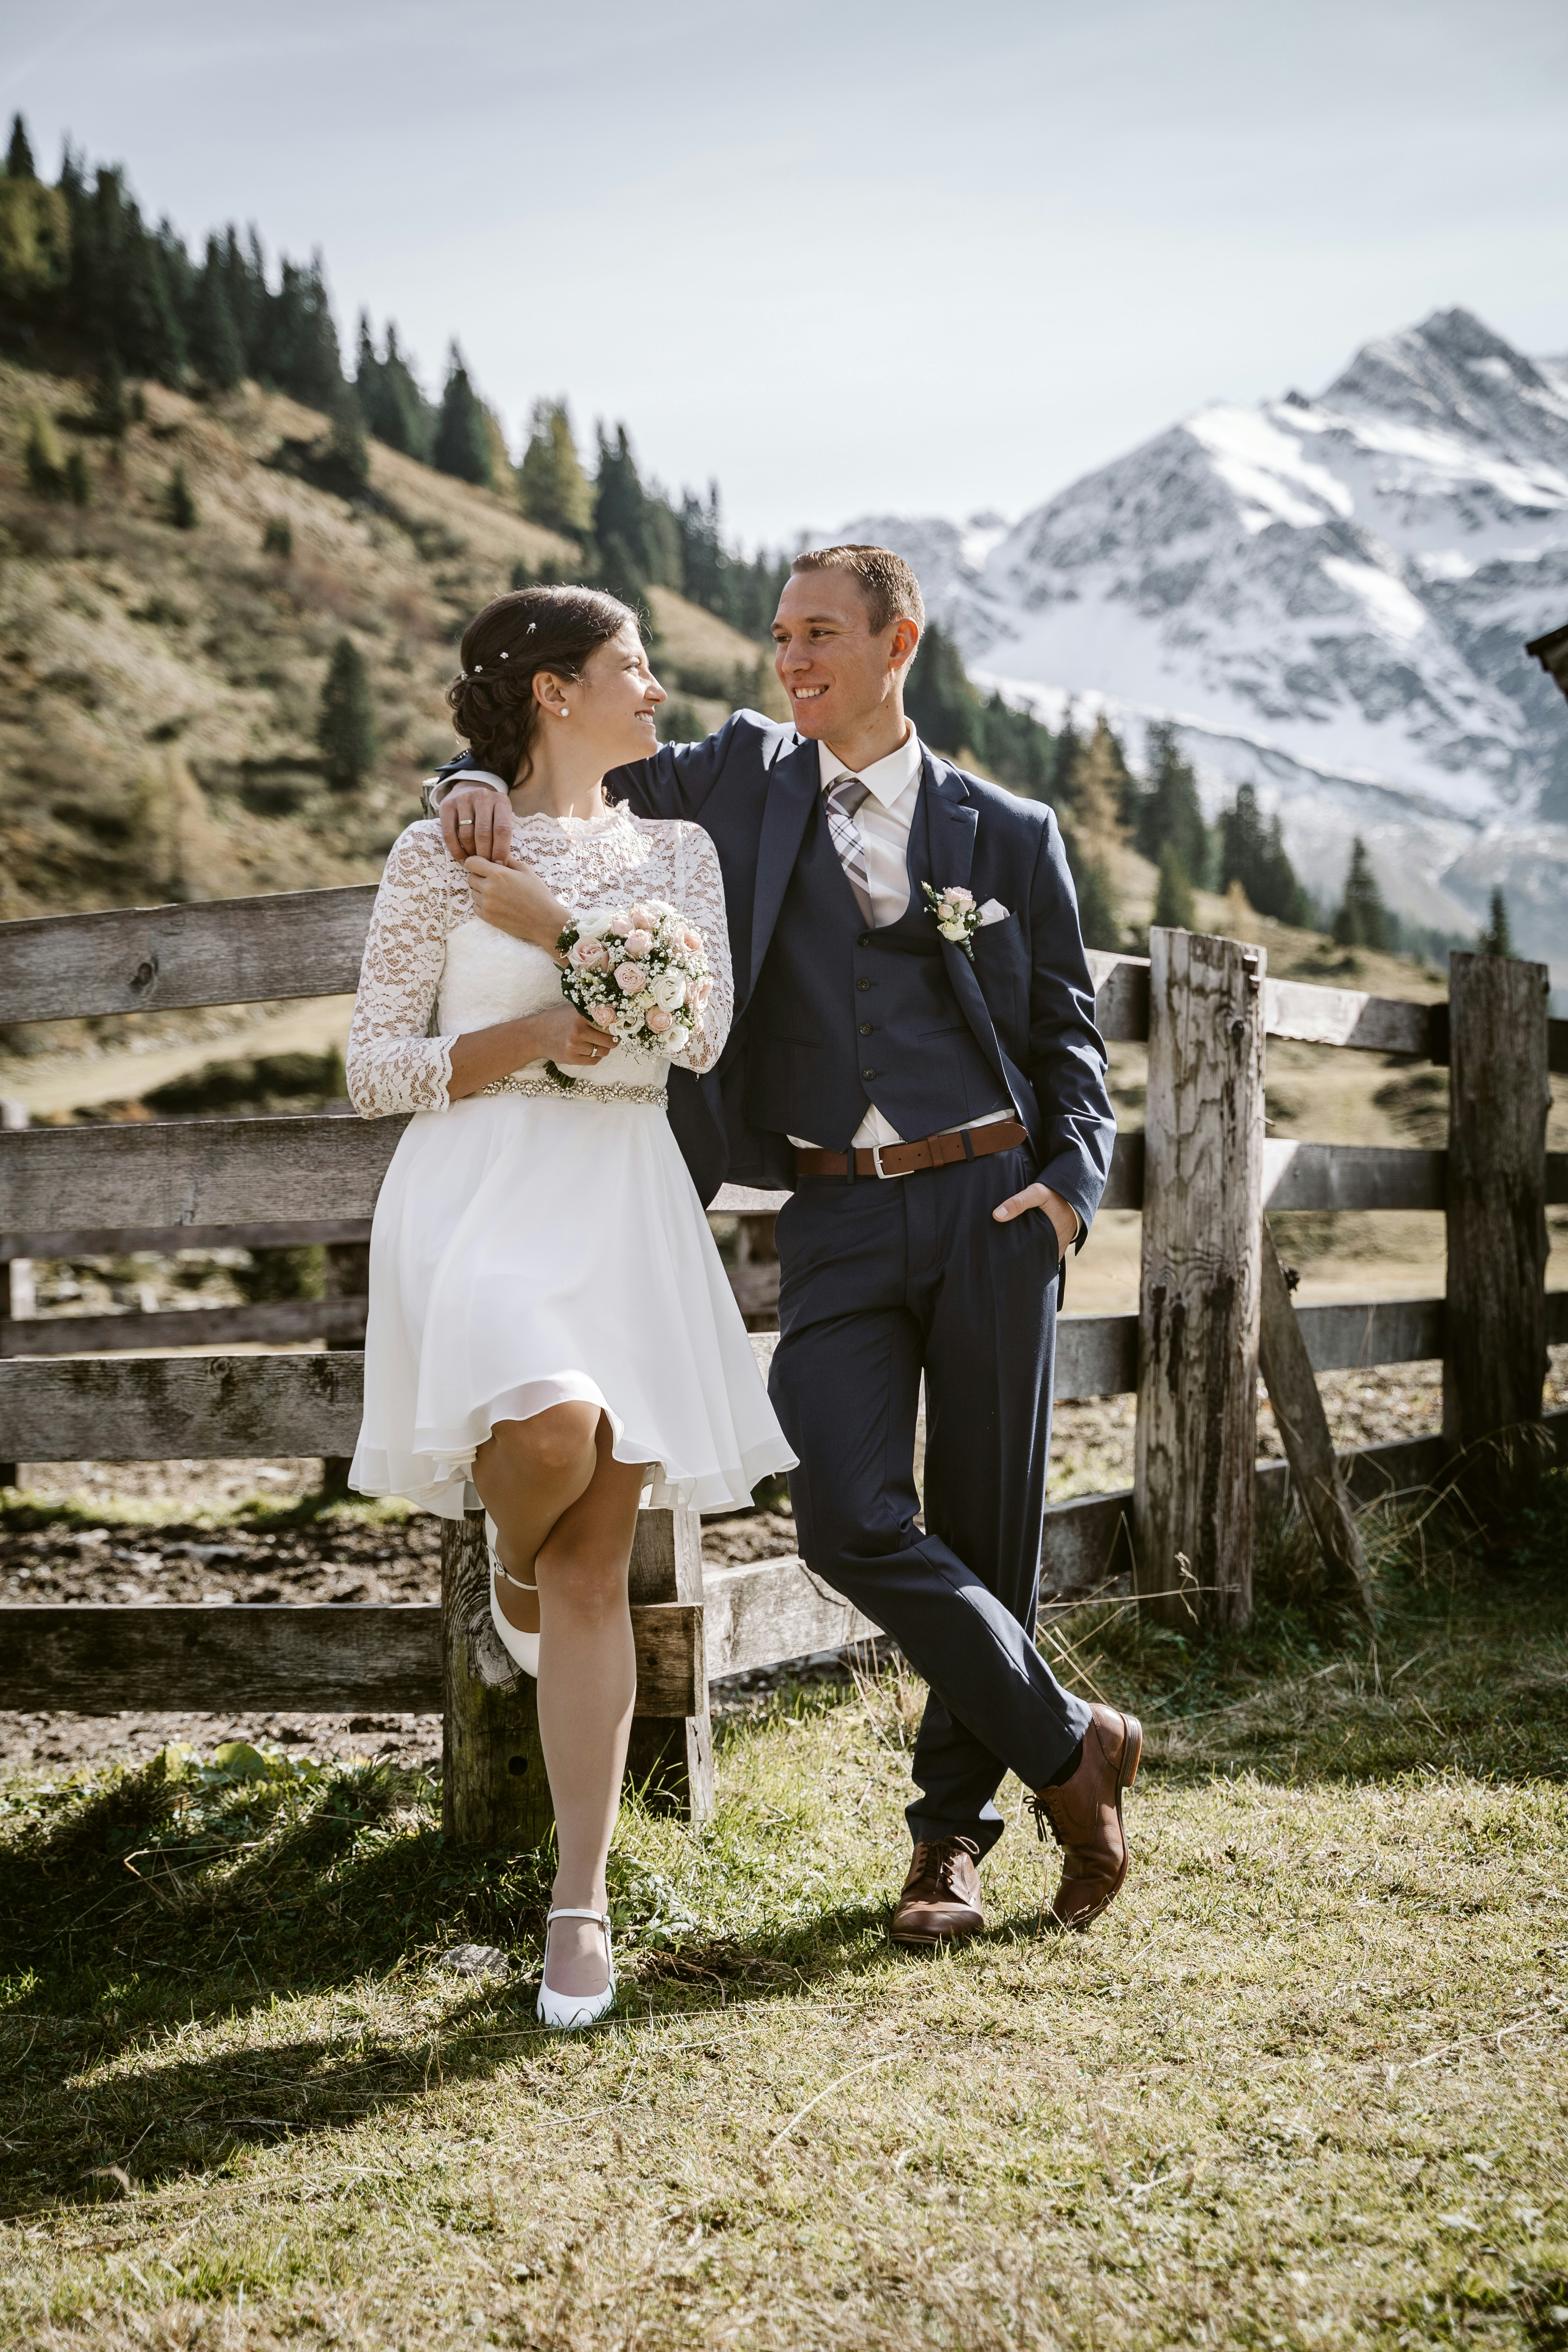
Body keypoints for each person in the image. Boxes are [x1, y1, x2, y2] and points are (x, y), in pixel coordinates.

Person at [436, 544, 1138, 1950]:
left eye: (822, 633)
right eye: (780, 635)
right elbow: (545, 751)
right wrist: (451, 786)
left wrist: (1068, 1187)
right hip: (831, 1205)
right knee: (844, 1514)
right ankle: (1076, 1747)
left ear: (900, 640)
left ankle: (950, 1848)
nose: (792, 659)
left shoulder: (1007, 828)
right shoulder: (734, 776)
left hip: (994, 1200)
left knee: (990, 1529)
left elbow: (1068, 1033)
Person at [347, 585, 793, 2027]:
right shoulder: (438, 851)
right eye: (631, 668)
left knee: (605, 1558)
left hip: (622, 1191)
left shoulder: (676, 847)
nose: (655, 691)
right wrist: (525, 1034)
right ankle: (514, 1564)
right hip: (479, 1187)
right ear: (553, 690)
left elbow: (699, 1033)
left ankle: (579, 1905)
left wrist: (560, 924)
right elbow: (371, 1069)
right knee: (548, 1433)